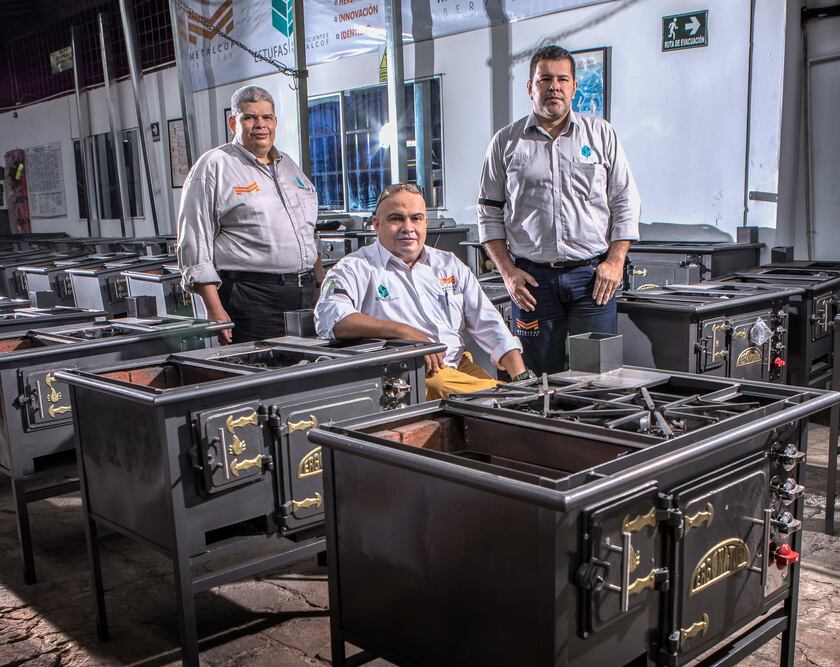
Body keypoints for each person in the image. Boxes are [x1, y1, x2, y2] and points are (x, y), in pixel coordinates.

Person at [477, 44, 641, 375]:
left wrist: (615, 261)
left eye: (563, 79)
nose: (554, 87)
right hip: (532, 283)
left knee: (598, 375)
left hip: (592, 280)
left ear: (574, 87)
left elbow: (625, 200)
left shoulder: (601, 135)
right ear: (530, 87)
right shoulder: (505, 142)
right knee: (537, 376)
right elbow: (488, 212)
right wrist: (508, 273)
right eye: (545, 79)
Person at [315, 183, 532, 400]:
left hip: (456, 365)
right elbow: (329, 317)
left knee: (512, 396)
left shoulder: (449, 264)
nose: (408, 227)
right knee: (500, 399)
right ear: (376, 224)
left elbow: (490, 324)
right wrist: (404, 332)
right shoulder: (354, 268)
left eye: (416, 218)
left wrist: (521, 377)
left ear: (426, 223)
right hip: (408, 374)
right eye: (396, 219)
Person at [177, 85, 322, 344]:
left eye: (266, 117)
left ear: (275, 122)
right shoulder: (214, 165)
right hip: (251, 298)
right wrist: (214, 309)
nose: (260, 125)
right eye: (250, 117)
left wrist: (321, 283)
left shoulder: (289, 166)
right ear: (233, 122)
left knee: (310, 365)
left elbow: (308, 231)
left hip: (305, 294)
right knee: (262, 367)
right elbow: (194, 242)